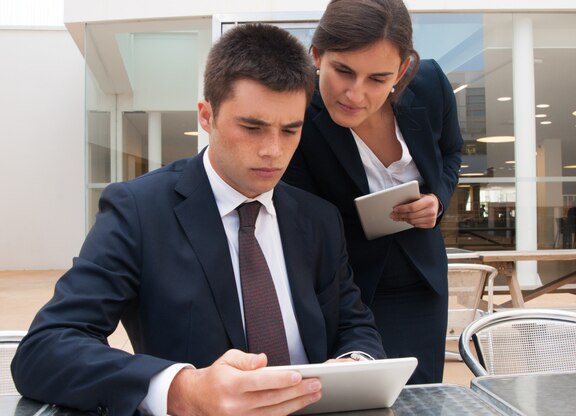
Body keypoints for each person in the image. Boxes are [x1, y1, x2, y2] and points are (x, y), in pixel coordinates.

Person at [11, 24, 385, 416]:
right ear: (206, 115)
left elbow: (355, 326)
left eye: (290, 130)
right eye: (252, 127)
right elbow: (46, 348)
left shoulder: (319, 219)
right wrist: (181, 389)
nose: (273, 150)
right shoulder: (139, 211)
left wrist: (354, 366)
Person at [283, 0, 463, 384]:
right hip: (349, 286)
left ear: (401, 71)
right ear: (317, 56)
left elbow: (451, 153)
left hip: (423, 278)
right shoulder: (296, 112)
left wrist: (439, 200)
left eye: (378, 79)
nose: (354, 94)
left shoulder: (431, 86)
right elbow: (300, 216)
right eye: (343, 71)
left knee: (420, 392)